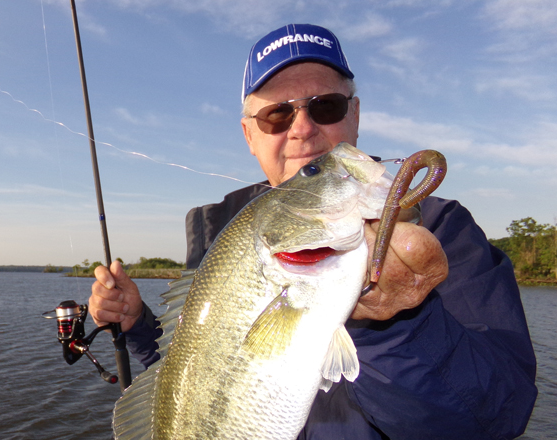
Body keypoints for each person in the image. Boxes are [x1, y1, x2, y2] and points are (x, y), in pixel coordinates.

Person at [89, 24, 537, 439]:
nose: (302, 129)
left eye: (326, 106)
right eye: (277, 115)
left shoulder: (441, 230)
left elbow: (497, 417)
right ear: (249, 135)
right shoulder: (219, 235)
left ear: (354, 115)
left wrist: (399, 323)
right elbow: (191, 376)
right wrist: (138, 325)